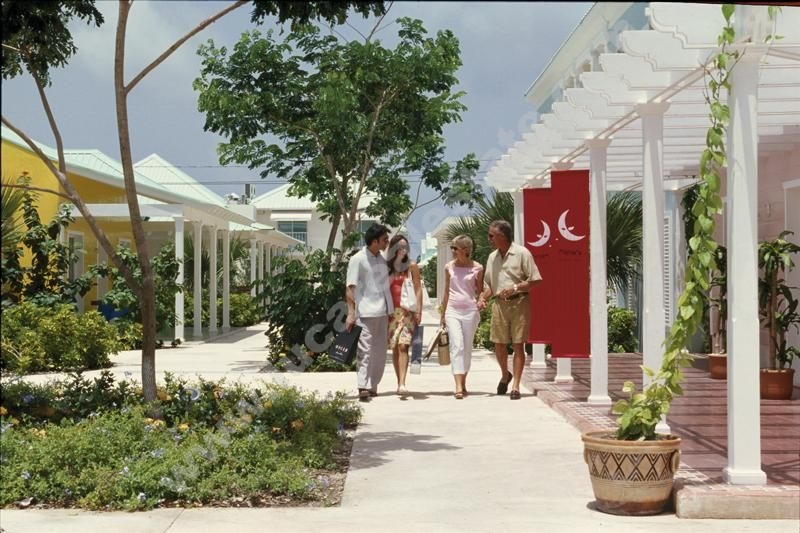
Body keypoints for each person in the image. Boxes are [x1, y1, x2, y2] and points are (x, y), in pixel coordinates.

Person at [478, 220, 542, 400]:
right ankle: (505, 374)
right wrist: (482, 298)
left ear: (502, 236)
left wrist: (515, 288)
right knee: (499, 344)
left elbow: (535, 280)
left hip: (519, 303)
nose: (489, 239)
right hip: (499, 304)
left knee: (518, 345)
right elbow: (490, 285)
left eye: (491, 235)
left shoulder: (522, 253)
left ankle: (515, 387)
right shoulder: (492, 257)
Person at [346, 223, 393, 402]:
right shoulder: (357, 259)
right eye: (384, 239)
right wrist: (351, 313)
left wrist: (390, 309)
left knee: (380, 352)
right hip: (365, 312)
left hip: (383, 312)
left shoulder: (381, 259)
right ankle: (363, 386)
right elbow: (350, 287)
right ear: (374, 241)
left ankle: (373, 386)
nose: (387, 242)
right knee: (364, 351)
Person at [440, 235, 484, 399]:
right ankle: (458, 385)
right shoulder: (449, 267)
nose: (452, 250)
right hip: (452, 310)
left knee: (467, 348)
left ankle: (463, 380)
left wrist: (481, 301)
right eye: (451, 247)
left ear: (465, 249)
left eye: (455, 248)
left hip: (470, 311)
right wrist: (443, 314)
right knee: (457, 345)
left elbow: (480, 291)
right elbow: (446, 291)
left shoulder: (477, 268)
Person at [385, 234, 423, 396]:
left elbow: (418, 288)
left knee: (403, 345)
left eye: (405, 247)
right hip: (391, 313)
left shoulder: (411, 266)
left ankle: (402, 383)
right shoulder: (387, 267)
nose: (403, 250)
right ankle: (398, 380)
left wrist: (419, 310)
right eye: (400, 247)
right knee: (395, 347)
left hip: (407, 312)